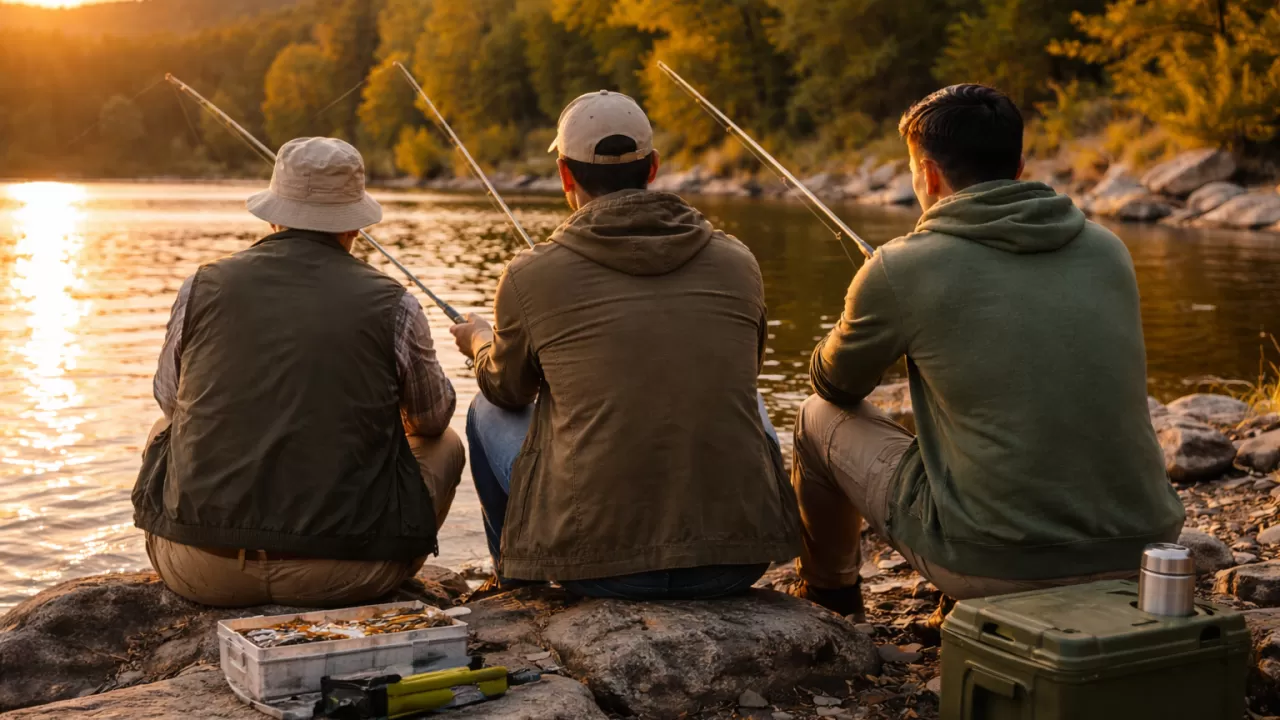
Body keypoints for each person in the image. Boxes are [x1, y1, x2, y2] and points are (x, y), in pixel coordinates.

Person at [790, 85, 1185, 617]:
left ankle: (830, 599)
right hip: (1145, 554)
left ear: (928, 176)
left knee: (816, 417)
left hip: (995, 566)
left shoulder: (899, 268)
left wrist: (867, 291)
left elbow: (834, 384)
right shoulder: (1108, 248)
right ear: (1019, 165)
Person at [448, 90, 800, 600]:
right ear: (653, 166)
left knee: (485, 412)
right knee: (744, 394)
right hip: (738, 562)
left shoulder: (530, 274)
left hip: (601, 569)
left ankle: (518, 584)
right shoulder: (738, 261)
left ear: (566, 176)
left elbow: (507, 390)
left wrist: (479, 338)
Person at [132, 137, 464, 608]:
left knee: (165, 426)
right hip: (351, 575)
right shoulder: (394, 303)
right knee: (446, 444)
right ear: (353, 227)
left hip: (201, 571)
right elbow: (432, 420)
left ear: (274, 216)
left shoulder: (201, 286)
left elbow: (170, 399)